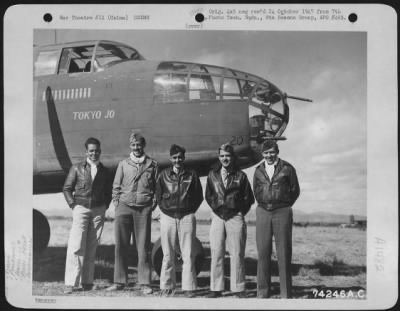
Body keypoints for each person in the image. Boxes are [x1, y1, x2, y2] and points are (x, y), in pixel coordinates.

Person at [106, 132, 158, 294]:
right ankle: (119, 281)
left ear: (144, 145)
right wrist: (117, 204)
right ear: (130, 146)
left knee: (143, 247)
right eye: (133, 145)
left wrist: (151, 206)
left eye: (139, 145)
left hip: (143, 209)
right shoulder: (123, 164)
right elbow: (116, 186)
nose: (136, 148)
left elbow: (156, 189)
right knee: (121, 245)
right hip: (124, 207)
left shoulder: (152, 165)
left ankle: (145, 283)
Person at [62, 137, 112, 294]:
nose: (94, 153)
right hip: (81, 209)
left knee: (92, 247)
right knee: (76, 246)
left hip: (98, 211)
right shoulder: (76, 168)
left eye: (96, 151)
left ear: (100, 152)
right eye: (91, 151)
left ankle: (87, 282)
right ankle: (71, 283)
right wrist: (74, 205)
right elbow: (67, 188)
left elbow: (108, 192)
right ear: (86, 152)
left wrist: (104, 207)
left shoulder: (104, 171)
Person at [205, 143, 254, 298]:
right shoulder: (212, 175)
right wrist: (217, 209)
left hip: (235, 217)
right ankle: (216, 288)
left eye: (228, 155)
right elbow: (209, 195)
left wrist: (238, 212)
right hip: (218, 217)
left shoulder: (241, 176)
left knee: (237, 253)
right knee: (216, 252)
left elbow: (249, 198)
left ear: (233, 157)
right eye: (222, 156)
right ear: (219, 157)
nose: (225, 159)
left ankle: (238, 288)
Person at [253, 140, 300, 298]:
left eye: (272, 152)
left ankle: (286, 293)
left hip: (282, 212)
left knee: (284, 252)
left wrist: (284, 205)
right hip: (263, 212)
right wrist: (265, 204)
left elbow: (295, 190)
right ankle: (263, 292)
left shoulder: (287, 168)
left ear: (277, 152)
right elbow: (256, 191)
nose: (269, 156)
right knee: (263, 252)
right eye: (266, 153)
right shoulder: (258, 170)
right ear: (262, 154)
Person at [156, 144, 203, 298]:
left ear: (184, 158)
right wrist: (167, 211)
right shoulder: (163, 175)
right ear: (171, 159)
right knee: (167, 253)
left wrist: (188, 211)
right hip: (168, 217)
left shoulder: (192, 175)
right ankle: (166, 286)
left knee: (188, 253)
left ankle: (189, 287)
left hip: (187, 216)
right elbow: (158, 197)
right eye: (175, 157)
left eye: (180, 157)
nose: (177, 160)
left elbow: (198, 197)